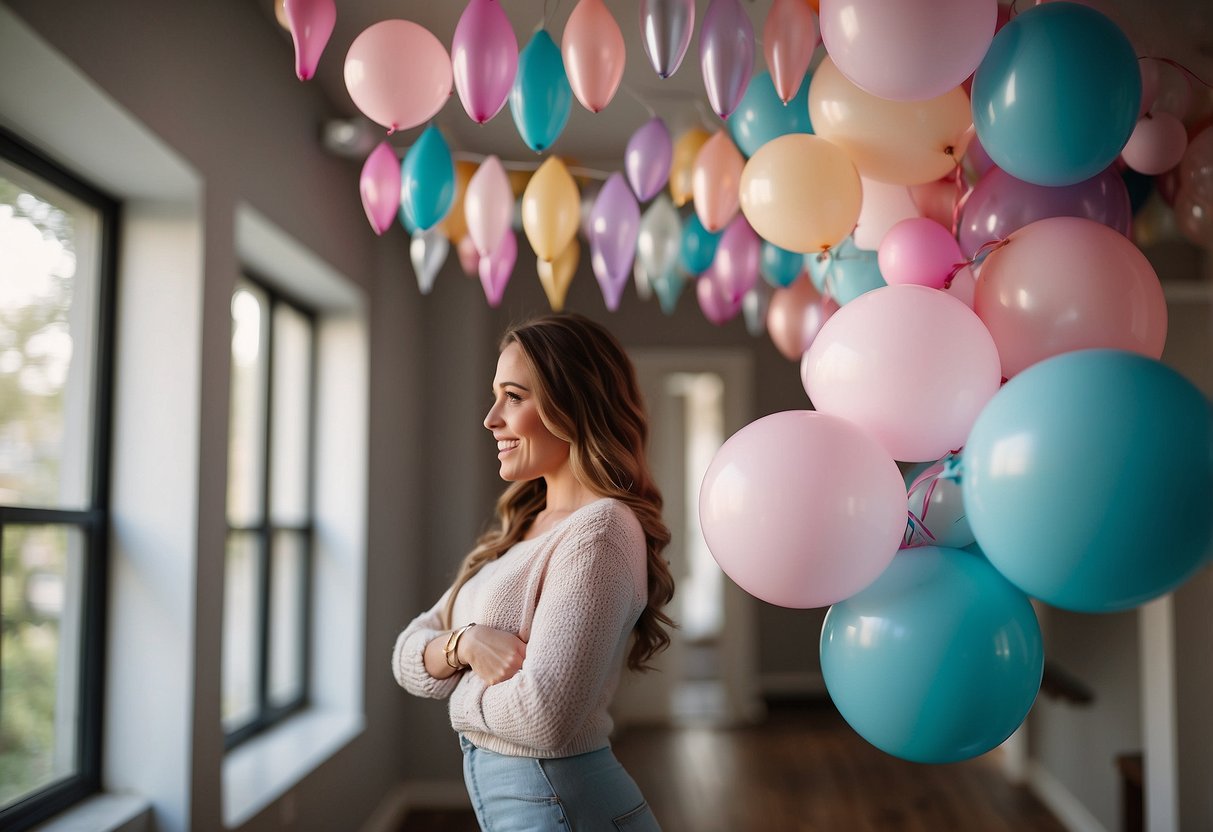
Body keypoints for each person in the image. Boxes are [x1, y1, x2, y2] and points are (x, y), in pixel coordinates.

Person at [392, 312, 675, 831]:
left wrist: (452, 683)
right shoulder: (524, 524)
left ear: (574, 405)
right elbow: (407, 649)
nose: (491, 418)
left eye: (514, 397)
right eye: (496, 395)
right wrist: (466, 645)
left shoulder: (601, 532)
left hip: (564, 806)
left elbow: (544, 716)